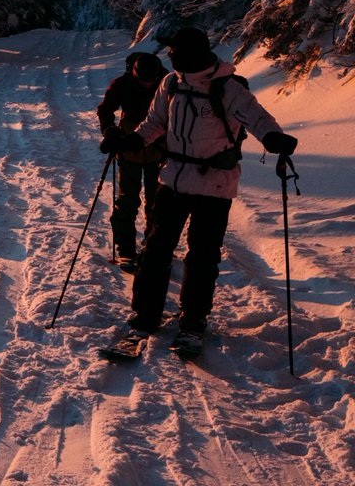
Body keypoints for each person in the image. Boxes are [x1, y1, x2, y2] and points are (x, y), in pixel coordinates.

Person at [100, 27, 298, 349]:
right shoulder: (172, 82)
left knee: (202, 255)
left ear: (191, 53)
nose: (170, 55)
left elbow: (257, 118)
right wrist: (130, 139)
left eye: (175, 51)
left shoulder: (229, 88)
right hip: (174, 177)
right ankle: (145, 315)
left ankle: (193, 321)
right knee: (155, 250)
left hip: (215, 185)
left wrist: (273, 138)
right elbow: (155, 123)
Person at [97, 51, 168, 271]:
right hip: (129, 149)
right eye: (143, 81)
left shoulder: (168, 83)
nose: (147, 84)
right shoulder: (122, 84)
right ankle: (126, 249)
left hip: (160, 148)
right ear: (135, 74)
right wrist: (109, 131)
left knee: (158, 200)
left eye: (151, 81)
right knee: (128, 199)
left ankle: (154, 243)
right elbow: (105, 110)